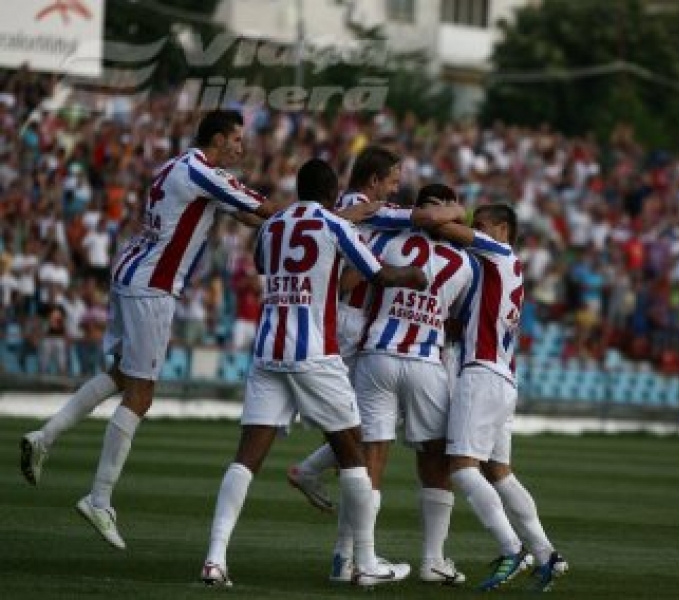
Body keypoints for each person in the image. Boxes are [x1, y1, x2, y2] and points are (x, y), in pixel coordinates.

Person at [19, 110, 293, 549]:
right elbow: (261, 208)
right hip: (154, 287)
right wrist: (319, 221)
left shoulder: (178, 166)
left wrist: (271, 221)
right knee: (141, 394)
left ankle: (44, 435)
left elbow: (245, 216)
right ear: (219, 139)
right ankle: (99, 497)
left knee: (121, 376)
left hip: (129, 273)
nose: (242, 147)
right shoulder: (207, 173)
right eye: (237, 139)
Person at [200, 158, 426, 588]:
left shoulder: (272, 225)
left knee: (246, 458)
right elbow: (377, 274)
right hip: (315, 353)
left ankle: (214, 560)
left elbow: (267, 267)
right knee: (354, 452)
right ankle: (365, 563)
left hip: (268, 350)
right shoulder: (335, 224)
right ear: (333, 189)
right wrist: (414, 276)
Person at [285, 148, 463, 519]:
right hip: (349, 318)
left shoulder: (344, 207)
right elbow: (425, 219)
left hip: (346, 316)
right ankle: (312, 472)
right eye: (392, 182)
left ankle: (313, 469)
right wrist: (460, 213)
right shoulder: (364, 207)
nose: (394, 191)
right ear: (373, 180)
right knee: (361, 425)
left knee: (366, 421)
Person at [436, 203, 569, 592]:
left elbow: (450, 232)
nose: (474, 231)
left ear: (503, 230)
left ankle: (512, 550)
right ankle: (546, 554)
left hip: (482, 375)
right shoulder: (500, 271)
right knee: (499, 473)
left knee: (461, 467)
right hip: (503, 377)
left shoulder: (500, 253)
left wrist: (440, 214)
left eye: (481, 226)